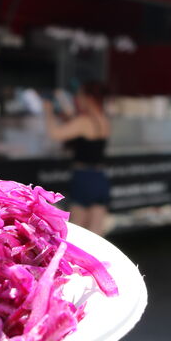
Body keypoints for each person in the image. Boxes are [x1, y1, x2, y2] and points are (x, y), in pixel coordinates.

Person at [43, 82, 111, 236]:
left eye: (79, 95)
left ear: (89, 98)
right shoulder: (104, 119)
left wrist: (47, 111)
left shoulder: (84, 122)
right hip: (100, 178)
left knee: (77, 232)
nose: (77, 99)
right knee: (96, 233)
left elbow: (55, 134)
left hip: (84, 178)